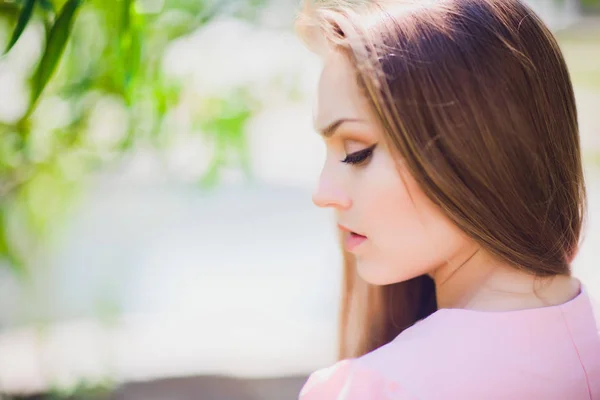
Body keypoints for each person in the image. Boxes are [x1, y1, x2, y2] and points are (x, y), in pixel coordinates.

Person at [294, 0, 600, 398]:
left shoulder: (376, 387)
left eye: (357, 152)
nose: (323, 194)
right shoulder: (579, 343)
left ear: (475, 148)